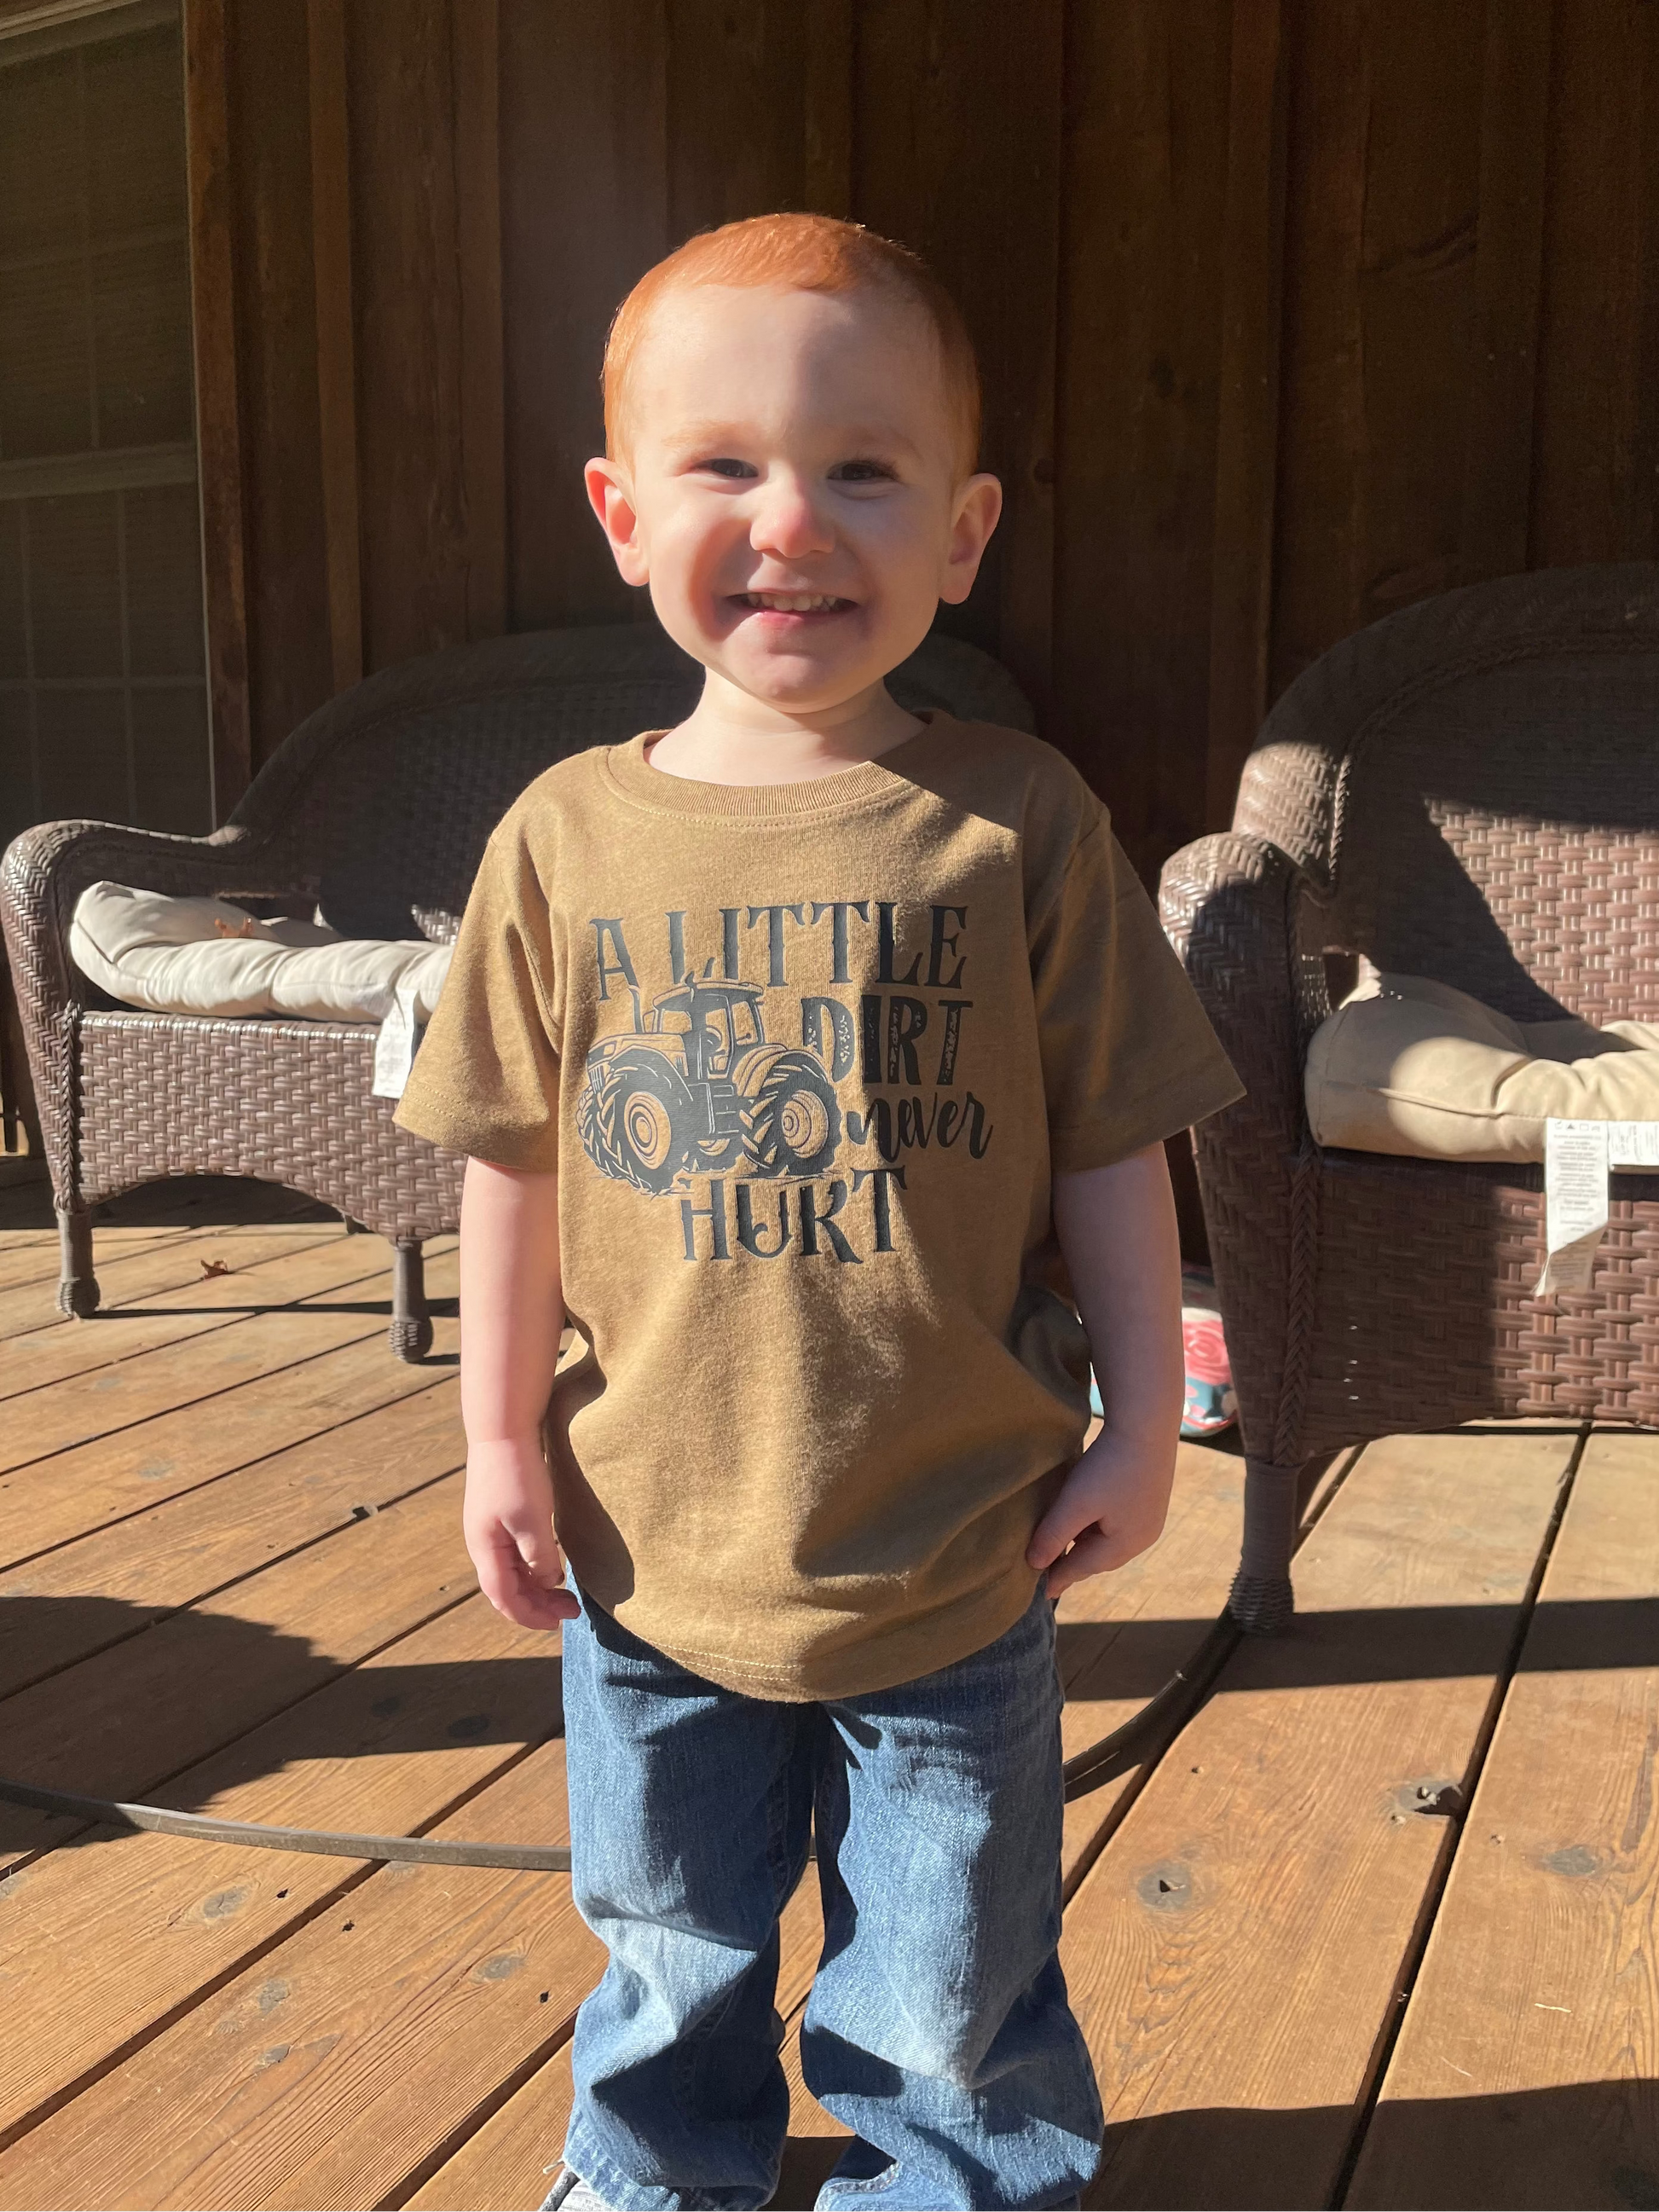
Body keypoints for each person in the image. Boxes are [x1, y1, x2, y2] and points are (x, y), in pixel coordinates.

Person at [395, 211, 1241, 2212]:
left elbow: (1116, 1138)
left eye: (864, 469)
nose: (796, 519)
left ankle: (947, 2182)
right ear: (619, 512)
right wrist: (495, 1432)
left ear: (962, 531)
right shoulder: (565, 835)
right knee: (669, 1941)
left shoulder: (1016, 817)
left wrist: (1142, 1419)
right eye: (727, 465)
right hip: (649, 1527)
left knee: (950, 1973)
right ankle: (649, 2179)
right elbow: (507, 1150)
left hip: (958, 1533)